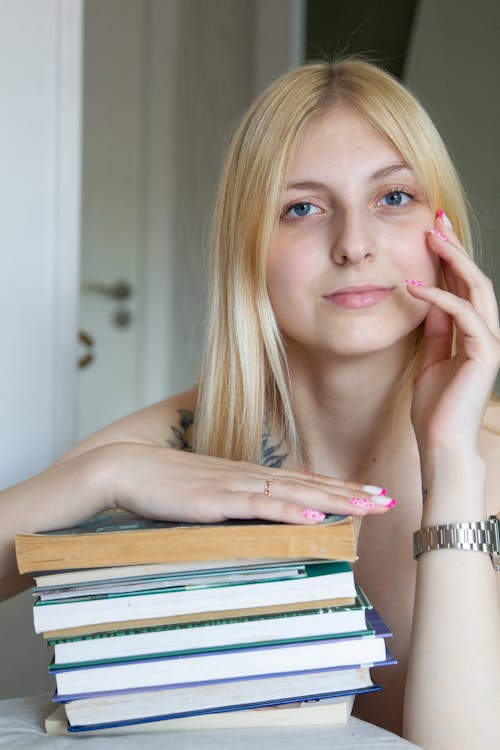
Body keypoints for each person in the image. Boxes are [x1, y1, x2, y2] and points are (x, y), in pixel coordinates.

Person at [1, 58, 499, 748]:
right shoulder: (182, 439)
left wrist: (453, 466)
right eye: (302, 207)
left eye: (393, 198)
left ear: (441, 229)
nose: (354, 244)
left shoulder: (487, 461)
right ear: (248, 248)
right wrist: (101, 476)